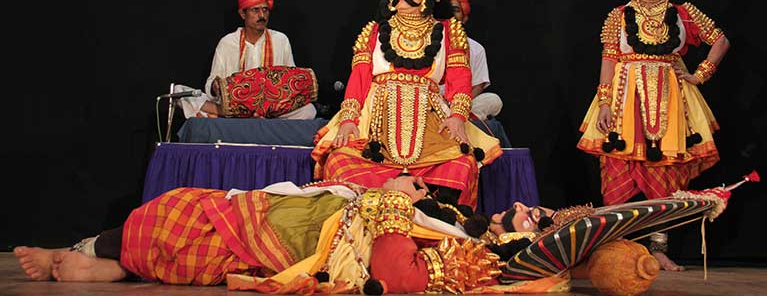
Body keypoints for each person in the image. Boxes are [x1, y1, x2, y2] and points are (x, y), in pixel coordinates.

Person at [576, 0, 730, 271]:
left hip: (669, 98)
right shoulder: (616, 15)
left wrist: (698, 75)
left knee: (665, 172)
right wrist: (607, 102)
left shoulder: (683, 12)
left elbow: (720, 41)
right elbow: (609, 59)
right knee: (618, 167)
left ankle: (659, 248)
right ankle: (616, 250)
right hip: (624, 95)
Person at [13, 175, 504, 294]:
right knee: (180, 205)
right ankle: (100, 257)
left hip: (296, 238)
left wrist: (395, 198)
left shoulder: (466, 252)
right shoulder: (447, 221)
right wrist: (389, 191)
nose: (521, 206)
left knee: (188, 228)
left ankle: (103, 258)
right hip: (291, 210)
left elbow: (393, 272)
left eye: (531, 217)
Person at [311, 0, 502, 209]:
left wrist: (457, 116)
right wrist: (348, 119)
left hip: (431, 124)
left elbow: (460, 80)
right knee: (338, 162)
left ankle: (439, 223)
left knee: (462, 165)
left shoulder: (448, 33)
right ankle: (365, 217)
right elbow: (360, 78)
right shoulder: (373, 31)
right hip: (375, 125)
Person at [177, 0, 317, 119]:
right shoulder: (227, 42)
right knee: (178, 92)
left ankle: (221, 118)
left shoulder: (280, 40)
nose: (262, 15)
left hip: (272, 110)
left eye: (265, 10)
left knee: (309, 110)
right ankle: (229, 114)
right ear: (243, 13)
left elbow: (291, 79)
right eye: (255, 10)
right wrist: (216, 87)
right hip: (235, 106)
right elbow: (211, 84)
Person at [446, 0, 503, 121]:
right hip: (432, 102)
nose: (450, 14)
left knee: (493, 100)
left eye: (455, 10)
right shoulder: (428, 43)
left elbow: (479, 85)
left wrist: (460, 106)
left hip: (461, 104)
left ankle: (463, 119)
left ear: (464, 18)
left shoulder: (476, 49)